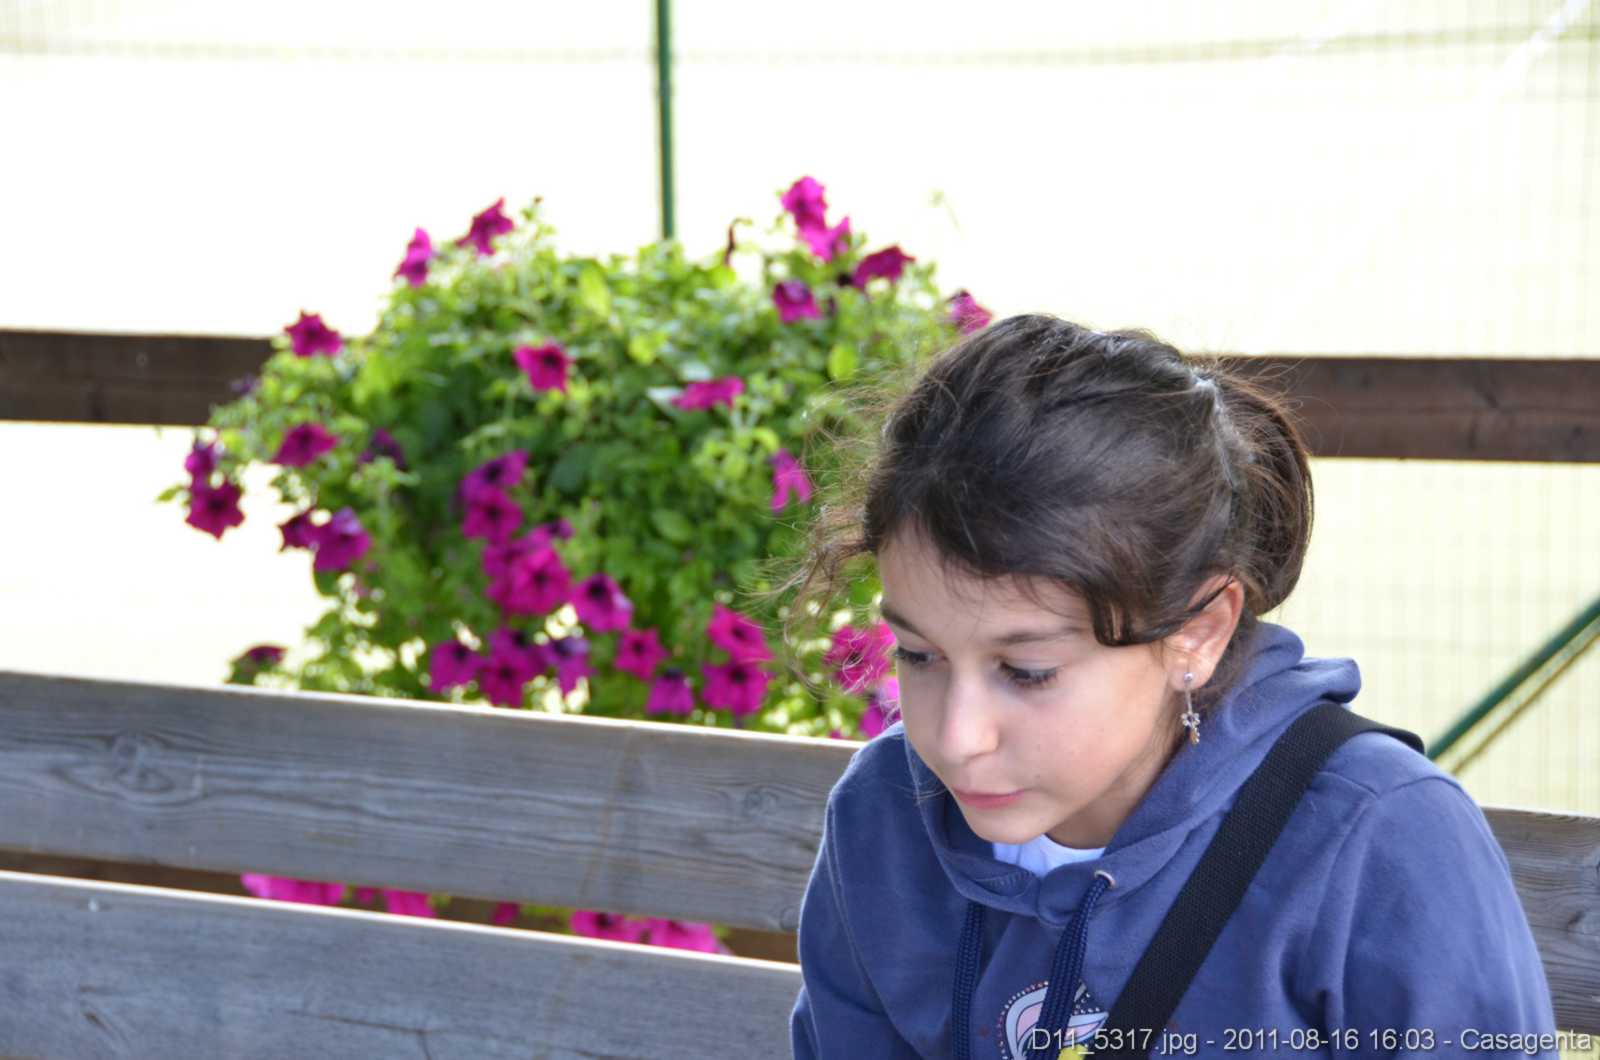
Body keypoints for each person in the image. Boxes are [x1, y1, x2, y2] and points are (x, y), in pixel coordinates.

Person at [778, 315, 1558, 1059]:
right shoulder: (885, 812)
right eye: (918, 655)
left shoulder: (1379, 835)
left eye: (1028, 671)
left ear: (1199, 633)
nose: (955, 739)